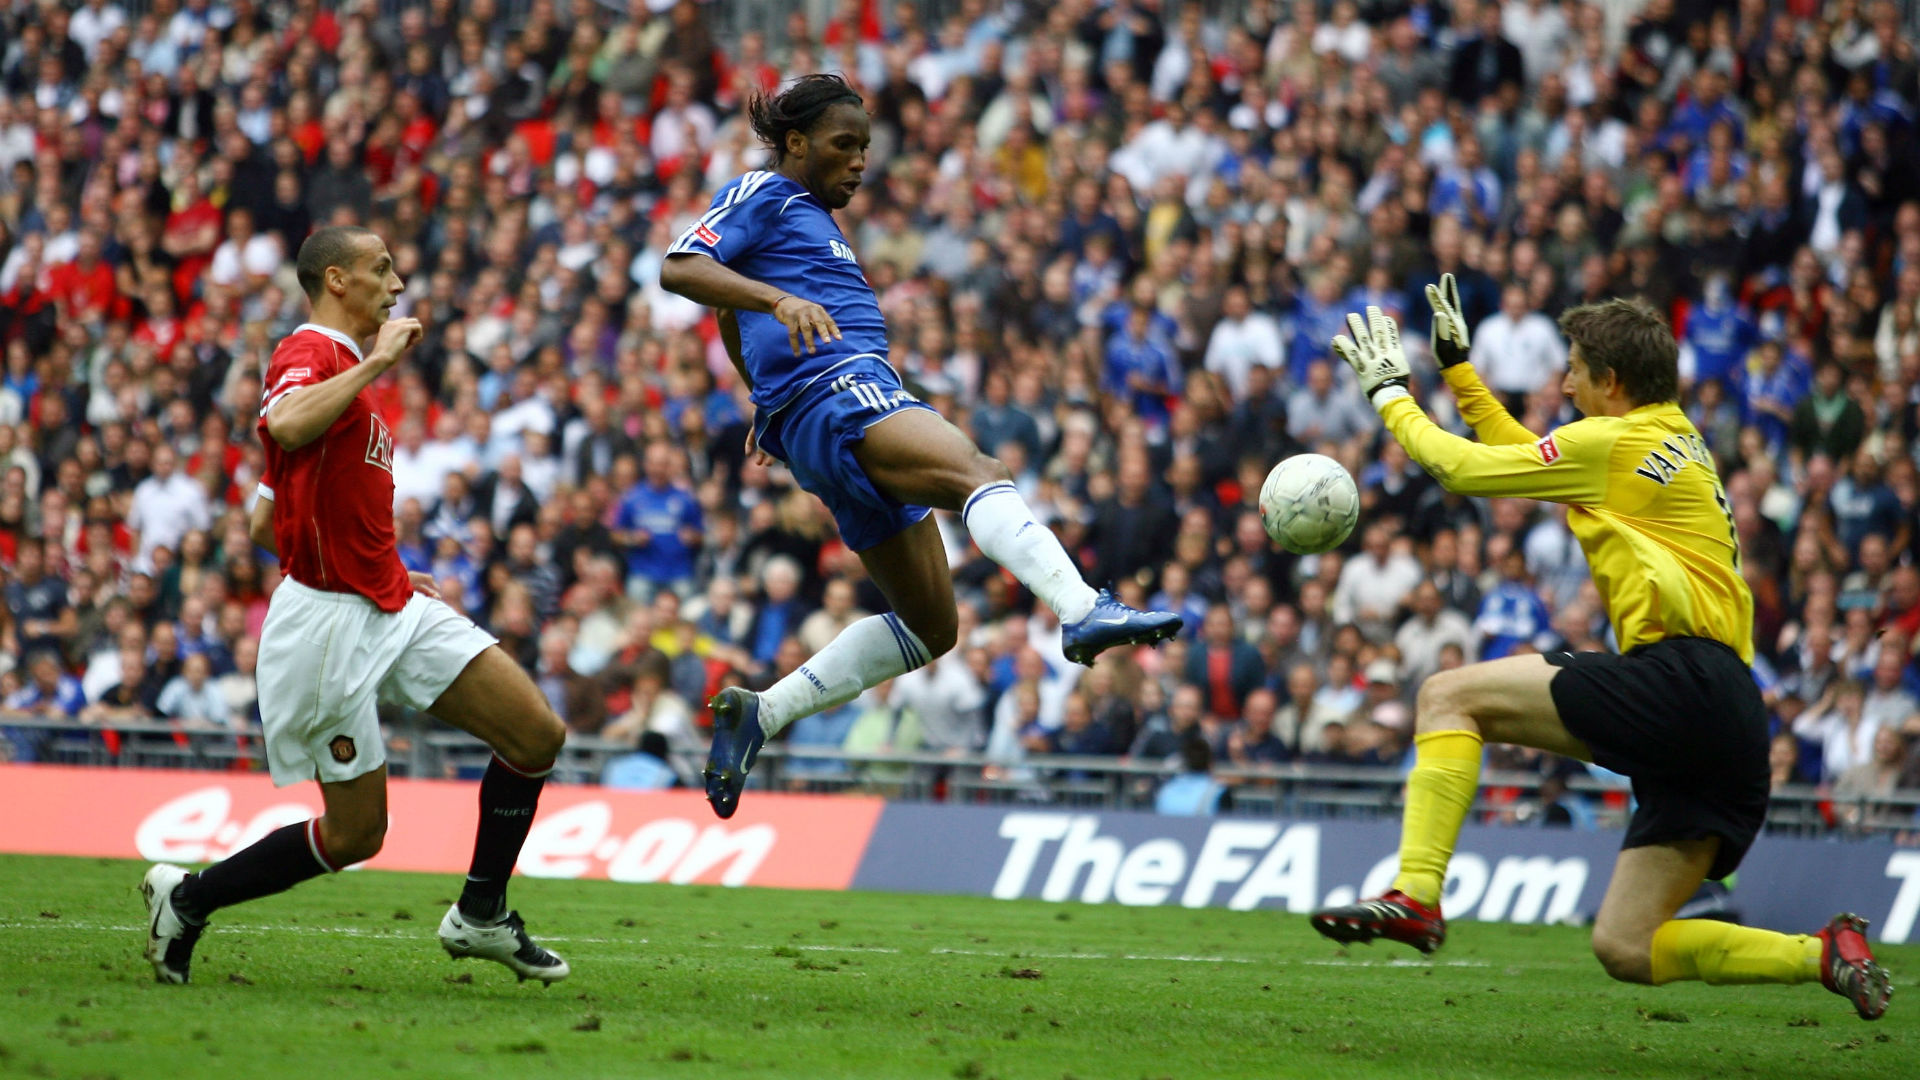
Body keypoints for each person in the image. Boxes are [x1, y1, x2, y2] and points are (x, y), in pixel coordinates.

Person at [1308, 277, 1890, 1021]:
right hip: (1731, 715)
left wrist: (1391, 391)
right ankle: (1825, 953)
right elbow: (1534, 456)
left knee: (1447, 696)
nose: (1564, 381)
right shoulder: (1671, 439)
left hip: (1679, 679)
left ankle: (1416, 894)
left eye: (1575, 369)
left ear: (1610, 382)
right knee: (1626, 945)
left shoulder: (1613, 442)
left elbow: (1459, 468)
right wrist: (1459, 373)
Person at [657, 75, 1180, 819]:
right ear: (796, 143)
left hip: (820, 409)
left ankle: (761, 713)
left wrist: (762, 393)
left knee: (933, 626)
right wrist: (780, 309)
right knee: (981, 472)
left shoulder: (802, 218)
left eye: (866, 147)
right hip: (843, 393)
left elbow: (727, 306)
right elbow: (681, 268)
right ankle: (1081, 607)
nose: (860, 161)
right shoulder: (765, 193)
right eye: (844, 145)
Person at [139, 227, 570, 987]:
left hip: (389, 601)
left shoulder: (345, 380)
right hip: (328, 625)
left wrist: (380, 564)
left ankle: (480, 914)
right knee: (356, 833)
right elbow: (289, 423)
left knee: (536, 734)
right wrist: (376, 361)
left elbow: (259, 521)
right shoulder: (311, 353)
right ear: (336, 280)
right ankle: (189, 899)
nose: (398, 283)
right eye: (382, 269)